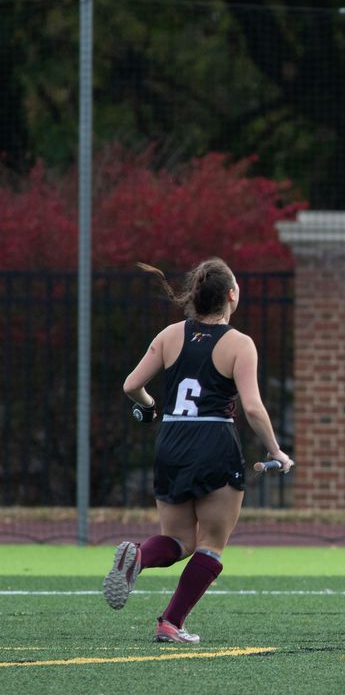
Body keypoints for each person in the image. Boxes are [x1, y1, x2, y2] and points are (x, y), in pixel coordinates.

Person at [105, 258, 293, 644]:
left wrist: (151, 408)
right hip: (214, 442)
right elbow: (254, 407)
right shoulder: (239, 344)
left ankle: (139, 557)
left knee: (178, 540)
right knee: (210, 544)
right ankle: (170, 622)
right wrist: (277, 450)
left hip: (171, 440)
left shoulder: (170, 335)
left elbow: (131, 385)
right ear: (230, 296)